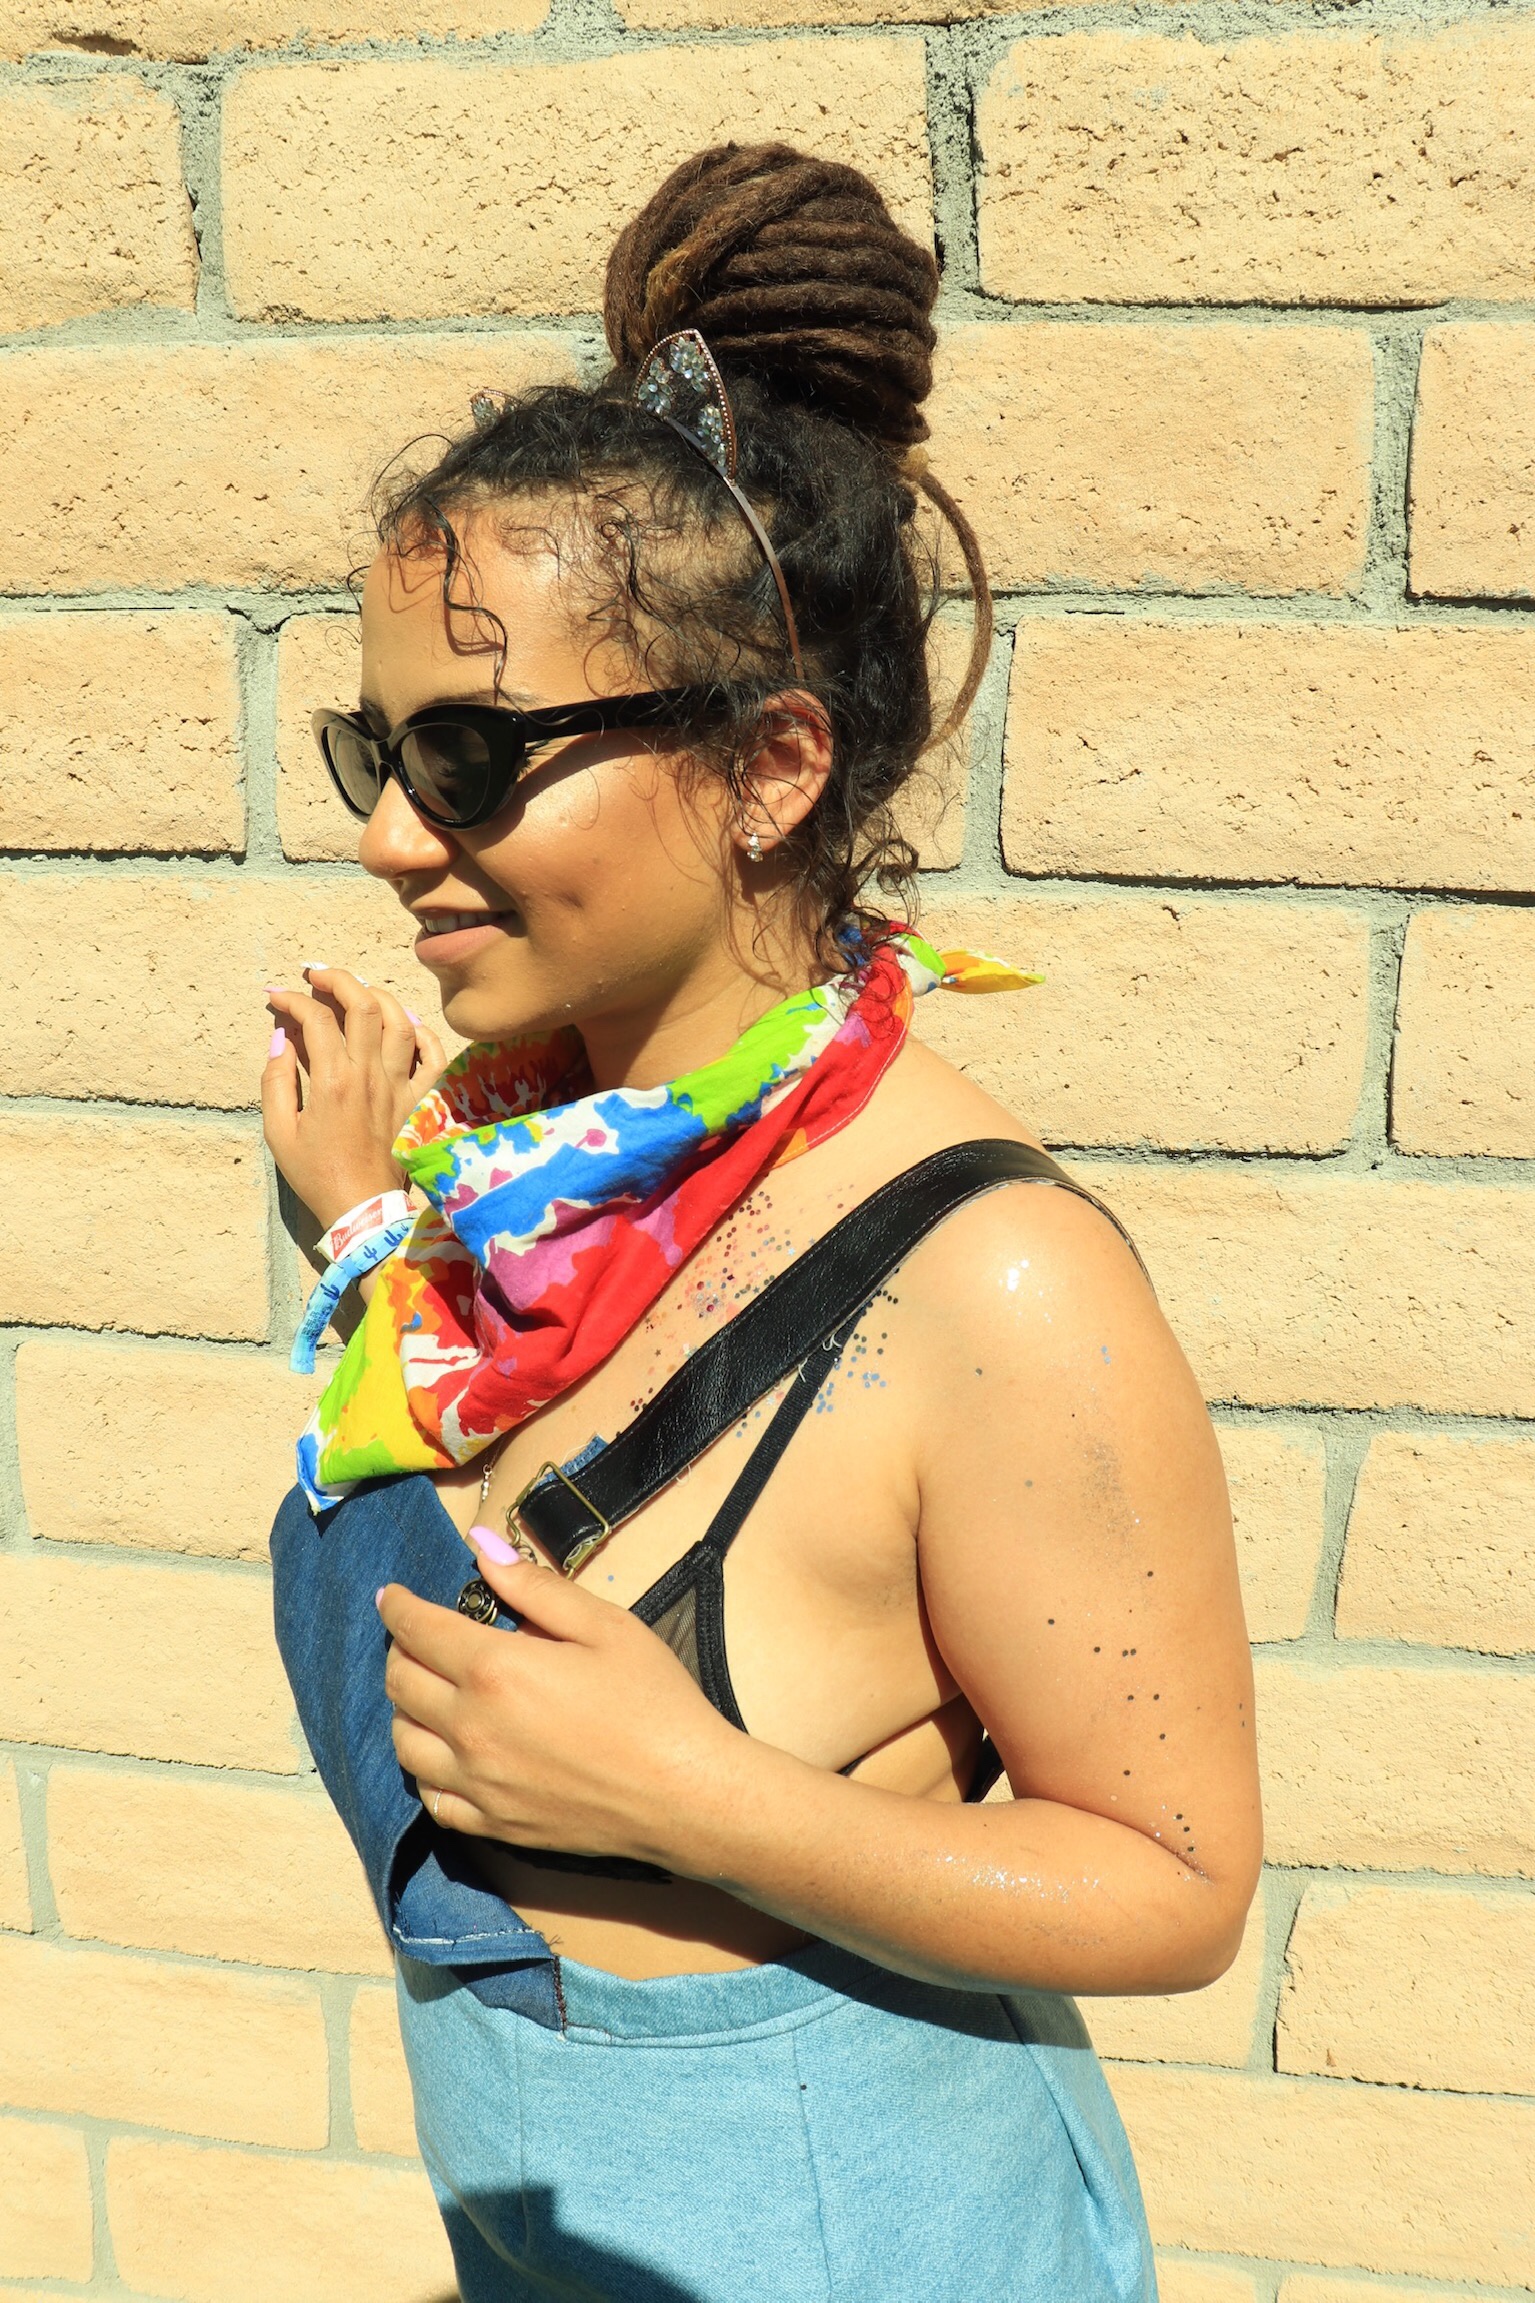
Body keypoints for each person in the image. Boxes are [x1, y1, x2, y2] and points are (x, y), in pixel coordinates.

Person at [262, 142, 1261, 2303]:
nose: (384, 840)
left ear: (772, 767)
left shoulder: (991, 1280)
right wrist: (361, 1232)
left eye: (469, 757)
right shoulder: (519, 1174)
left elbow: (1178, 1883)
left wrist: (693, 1798)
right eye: (374, 749)